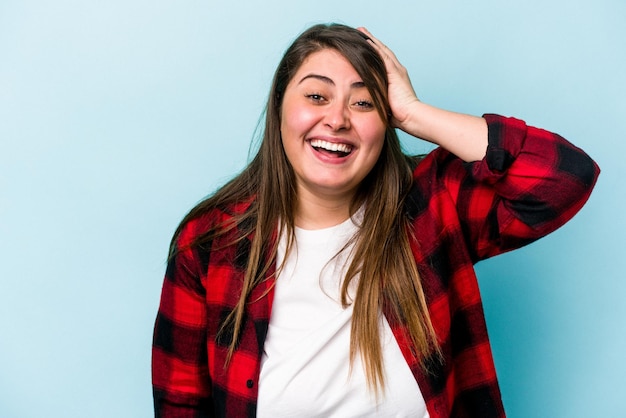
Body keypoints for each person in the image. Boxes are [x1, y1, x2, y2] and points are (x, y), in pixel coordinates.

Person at [151, 23, 599, 417]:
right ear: (280, 109)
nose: (338, 119)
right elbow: (181, 405)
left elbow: (565, 178)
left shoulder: (431, 204)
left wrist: (414, 113)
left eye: (364, 103)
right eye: (316, 96)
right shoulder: (210, 241)